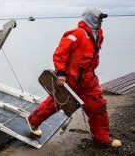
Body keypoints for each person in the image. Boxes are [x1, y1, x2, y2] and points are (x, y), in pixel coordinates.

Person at [27, 8, 122, 148]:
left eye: (101, 19)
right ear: (91, 18)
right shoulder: (76, 34)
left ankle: (101, 137)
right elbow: (60, 54)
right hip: (70, 79)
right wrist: (60, 73)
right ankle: (33, 121)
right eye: (99, 18)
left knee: (98, 106)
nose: (101, 21)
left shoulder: (98, 34)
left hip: (89, 79)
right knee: (55, 103)